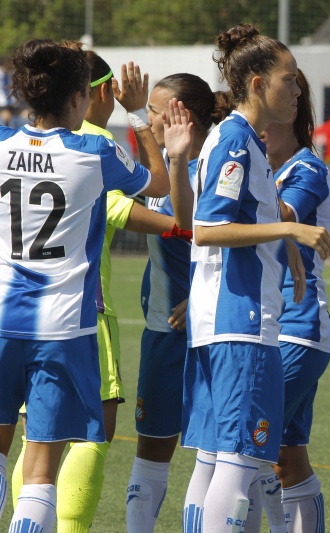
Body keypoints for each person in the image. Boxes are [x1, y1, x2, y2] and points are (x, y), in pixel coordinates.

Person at [0, 38, 169, 533]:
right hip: (63, 327)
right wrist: (138, 115)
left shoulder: (1, 145)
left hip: (2, 317)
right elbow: (158, 185)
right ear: (78, 98)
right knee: (40, 472)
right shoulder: (95, 150)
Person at [180, 23, 330, 533]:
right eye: (288, 80)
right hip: (239, 317)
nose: (296, 89)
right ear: (255, 83)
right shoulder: (237, 140)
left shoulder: (245, 142)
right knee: (240, 459)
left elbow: (239, 222)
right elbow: (207, 228)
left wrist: (281, 240)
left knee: (217, 457)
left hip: (225, 315)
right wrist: (291, 227)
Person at [125, 73, 232, 533]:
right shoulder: (171, 166)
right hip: (165, 329)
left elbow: (234, 237)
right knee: (153, 447)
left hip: (217, 330)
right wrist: (135, 117)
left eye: (154, 109)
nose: (148, 116)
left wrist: (207, 294)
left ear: (180, 115)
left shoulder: (219, 163)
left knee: (230, 456)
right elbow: (159, 186)